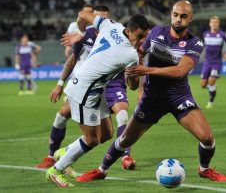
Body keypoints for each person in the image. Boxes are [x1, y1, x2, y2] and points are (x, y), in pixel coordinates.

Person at [76, 0, 226, 183]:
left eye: (183, 16)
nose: (178, 19)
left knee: (207, 137)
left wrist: (148, 71)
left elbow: (180, 71)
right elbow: (139, 53)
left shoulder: (194, 43)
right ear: (172, 15)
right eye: (176, 15)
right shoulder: (156, 33)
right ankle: (101, 170)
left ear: (190, 18)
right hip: (152, 98)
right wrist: (136, 79)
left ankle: (204, 169)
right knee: (125, 140)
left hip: (178, 96)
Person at [45, 12, 150, 187]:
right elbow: (132, 86)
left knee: (107, 133)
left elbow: (83, 15)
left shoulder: (111, 25)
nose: (141, 40)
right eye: (139, 36)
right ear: (130, 31)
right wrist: (137, 65)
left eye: (144, 37)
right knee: (92, 139)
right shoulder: (130, 54)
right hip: (85, 90)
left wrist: (80, 30)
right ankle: (55, 170)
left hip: (96, 89)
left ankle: (65, 151)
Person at [200, 16, 226, 108]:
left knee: (211, 80)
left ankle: (211, 102)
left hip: (216, 62)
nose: (214, 24)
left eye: (216, 22)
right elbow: (201, 46)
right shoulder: (205, 34)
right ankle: (212, 88)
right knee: (202, 85)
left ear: (219, 24)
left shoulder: (222, 35)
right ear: (210, 24)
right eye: (213, 22)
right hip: (207, 62)